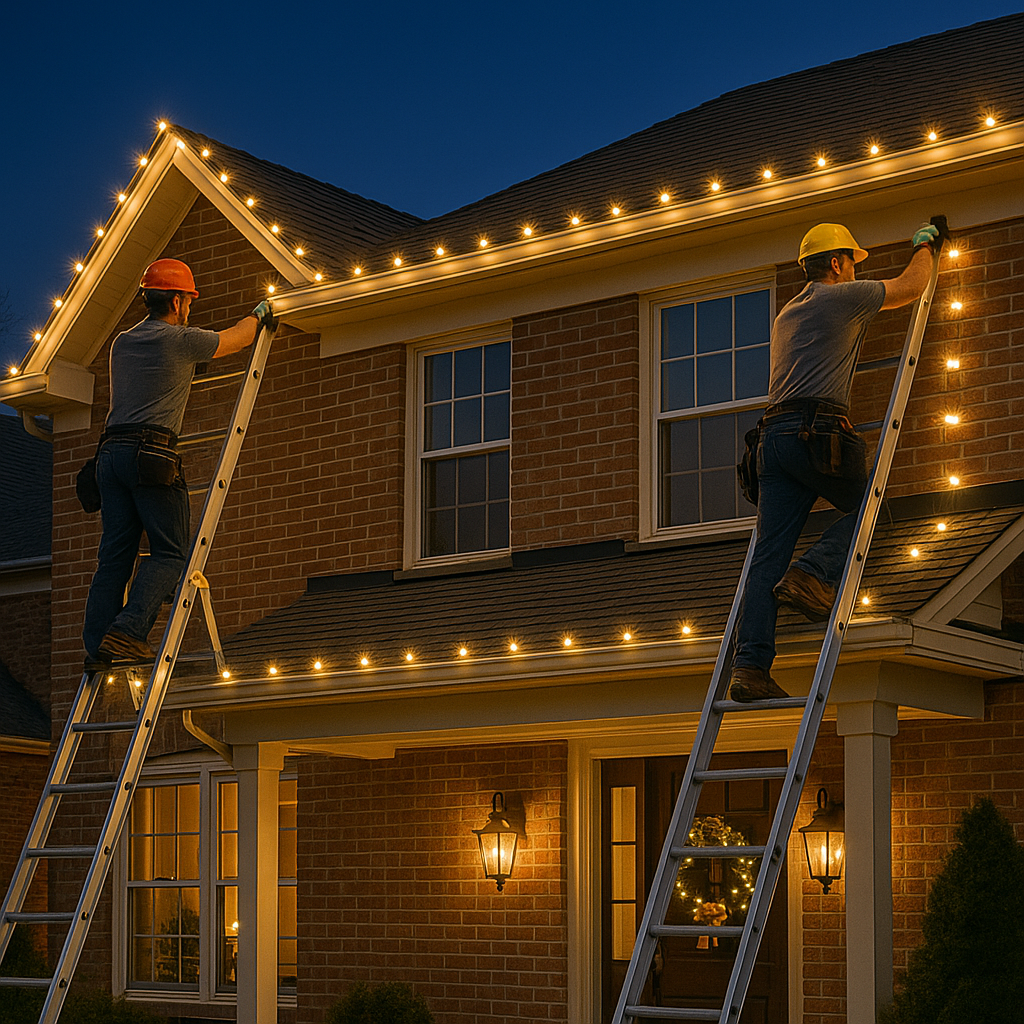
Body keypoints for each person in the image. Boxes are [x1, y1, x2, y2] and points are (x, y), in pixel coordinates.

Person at [729, 222, 943, 702]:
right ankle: (812, 575)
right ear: (835, 263)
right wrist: (925, 245)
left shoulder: (788, 311)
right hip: (816, 434)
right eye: (851, 262)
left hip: (773, 442)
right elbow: (913, 286)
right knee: (870, 513)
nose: (853, 271)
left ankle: (750, 667)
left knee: (766, 558)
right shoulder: (840, 297)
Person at [83, 258, 275, 667]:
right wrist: (261, 312)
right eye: (187, 299)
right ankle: (127, 631)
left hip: (109, 456)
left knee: (115, 556)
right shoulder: (181, 340)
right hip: (151, 454)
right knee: (170, 554)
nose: (190, 307)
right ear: (174, 301)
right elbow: (235, 339)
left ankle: (98, 644)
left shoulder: (122, 343)